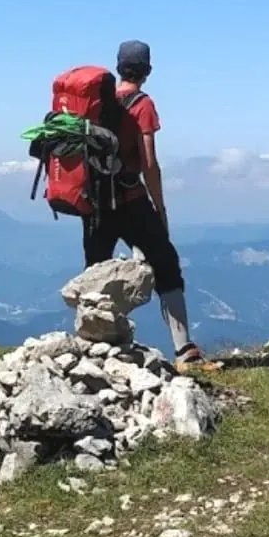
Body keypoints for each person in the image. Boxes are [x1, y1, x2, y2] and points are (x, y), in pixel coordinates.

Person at [83, 39, 204, 370]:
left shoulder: (93, 106)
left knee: (94, 276)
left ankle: (92, 354)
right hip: (131, 202)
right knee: (166, 265)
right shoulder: (142, 104)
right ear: (147, 70)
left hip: (93, 205)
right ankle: (184, 351)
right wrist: (160, 207)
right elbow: (149, 162)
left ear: (119, 67)